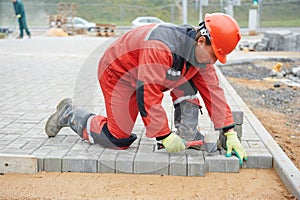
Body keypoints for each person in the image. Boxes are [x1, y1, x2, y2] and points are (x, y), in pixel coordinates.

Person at [45, 13, 248, 165]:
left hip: (150, 73)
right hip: (118, 74)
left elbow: (213, 92)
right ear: (201, 41)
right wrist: (164, 136)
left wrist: (229, 131)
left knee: (189, 80)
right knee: (118, 138)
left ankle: (188, 133)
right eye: (214, 55)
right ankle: (70, 114)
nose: (213, 62)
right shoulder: (161, 47)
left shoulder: (200, 54)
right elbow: (148, 94)